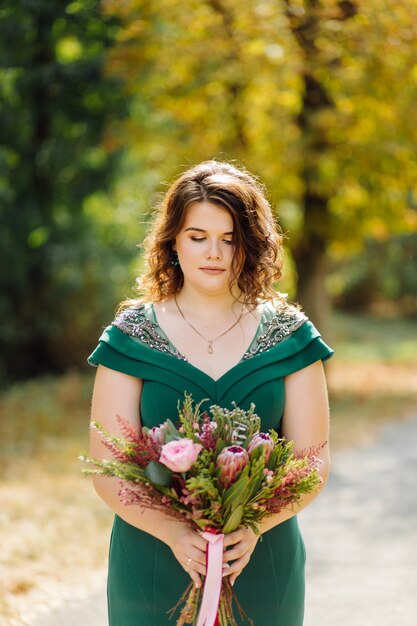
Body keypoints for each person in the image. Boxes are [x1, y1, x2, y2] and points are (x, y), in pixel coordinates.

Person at [88, 159, 333, 625]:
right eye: (198, 236)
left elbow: (313, 460)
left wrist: (256, 525)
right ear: (173, 242)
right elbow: (109, 466)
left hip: (261, 561)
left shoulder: (290, 336)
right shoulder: (131, 337)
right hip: (153, 558)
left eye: (230, 238)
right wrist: (174, 534)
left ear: (251, 245)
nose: (213, 253)